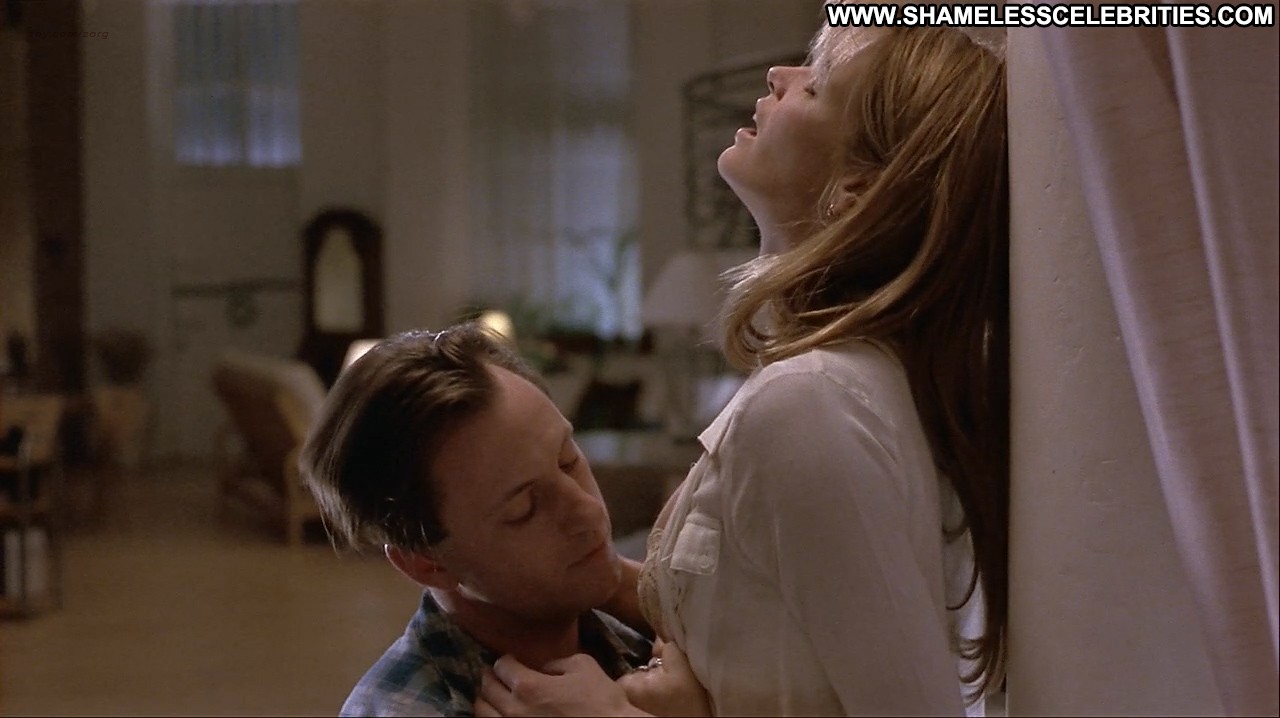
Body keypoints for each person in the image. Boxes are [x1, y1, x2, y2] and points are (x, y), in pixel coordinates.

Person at [477, 22, 1009, 717]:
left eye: (815, 86)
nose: (778, 77)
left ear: (854, 188)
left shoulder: (810, 403)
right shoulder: (837, 381)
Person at [298, 324, 658, 717]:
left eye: (567, 460)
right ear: (426, 562)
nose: (588, 510)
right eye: (524, 509)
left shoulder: (647, 632)